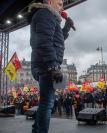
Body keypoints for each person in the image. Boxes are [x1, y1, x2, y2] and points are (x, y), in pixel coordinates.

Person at [28, 0, 75, 132]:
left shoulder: (49, 16)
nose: (62, 7)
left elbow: (55, 39)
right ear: (49, 2)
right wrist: (53, 66)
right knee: (47, 104)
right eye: (59, 3)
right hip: (46, 65)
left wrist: (66, 28)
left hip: (45, 64)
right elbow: (44, 42)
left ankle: (37, 129)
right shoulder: (45, 14)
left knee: (46, 103)